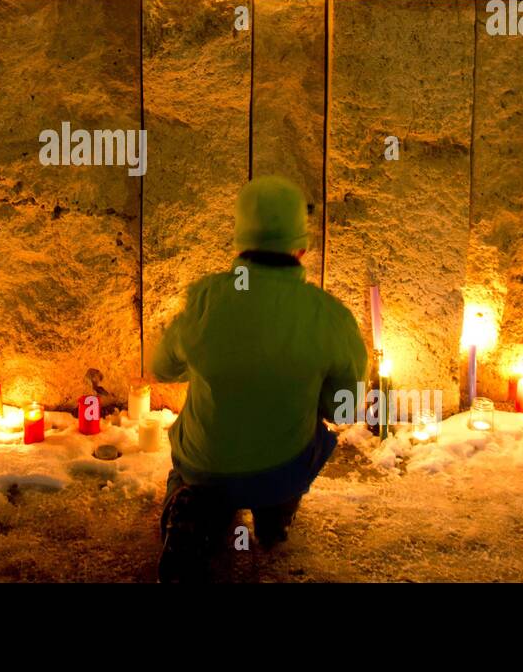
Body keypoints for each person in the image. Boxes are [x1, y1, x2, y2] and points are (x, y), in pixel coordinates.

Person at [151, 174, 367, 582]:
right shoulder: (330, 315)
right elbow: (344, 408)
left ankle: (186, 507)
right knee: (319, 436)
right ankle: (276, 508)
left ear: (238, 244)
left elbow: (162, 365)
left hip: (205, 467)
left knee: (187, 463)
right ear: (301, 248)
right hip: (281, 468)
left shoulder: (207, 298)